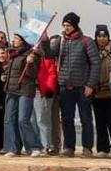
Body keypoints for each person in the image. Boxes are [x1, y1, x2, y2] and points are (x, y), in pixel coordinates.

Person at [41, 12, 99, 157]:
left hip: (82, 87)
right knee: (67, 118)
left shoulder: (87, 41)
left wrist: (90, 85)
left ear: (75, 25)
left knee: (86, 118)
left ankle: (87, 147)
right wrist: (45, 41)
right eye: (64, 25)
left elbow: (95, 63)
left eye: (68, 25)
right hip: (64, 87)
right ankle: (69, 147)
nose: (66, 28)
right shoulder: (60, 41)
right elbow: (49, 54)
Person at [2, 33, 42, 157]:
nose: (13, 41)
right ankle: (12, 148)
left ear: (23, 41)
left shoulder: (32, 54)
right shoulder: (14, 54)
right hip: (11, 89)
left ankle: (34, 147)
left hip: (25, 89)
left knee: (23, 120)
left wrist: (30, 63)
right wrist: (4, 75)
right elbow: (10, 71)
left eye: (16, 39)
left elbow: (32, 74)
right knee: (9, 120)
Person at [92, 25, 111, 157]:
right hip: (97, 92)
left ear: (108, 37)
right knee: (99, 121)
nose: (102, 39)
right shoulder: (92, 52)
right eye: (99, 36)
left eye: (104, 36)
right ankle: (102, 148)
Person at [31, 43, 58, 155]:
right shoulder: (30, 59)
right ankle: (37, 144)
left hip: (43, 92)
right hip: (30, 91)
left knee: (42, 119)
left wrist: (49, 90)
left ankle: (46, 145)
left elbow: (52, 75)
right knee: (32, 120)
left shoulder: (47, 58)